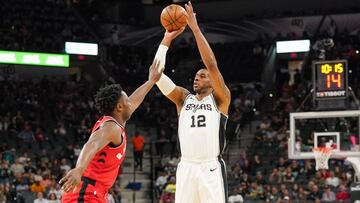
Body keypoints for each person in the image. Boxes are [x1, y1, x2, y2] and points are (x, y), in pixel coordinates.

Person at [154, 2, 231, 202]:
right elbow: (156, 75)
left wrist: (195, 29)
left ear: (213, 83)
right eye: (196, 75)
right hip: (186, 166)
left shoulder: (220, 99)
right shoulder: (183, 98)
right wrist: (166, 40)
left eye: (203, 76)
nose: (197, 78)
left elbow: (211, 65)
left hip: (210, 167)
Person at [59, 59, 163, 202]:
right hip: (85, 192)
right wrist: (79, 169)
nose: (130, 104)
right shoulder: (111, 127)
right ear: (119, 108)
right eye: (127, 102)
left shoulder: (116, 122)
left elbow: (134, 101)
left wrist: (151, 81)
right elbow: (91, 144)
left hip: (97, 191)